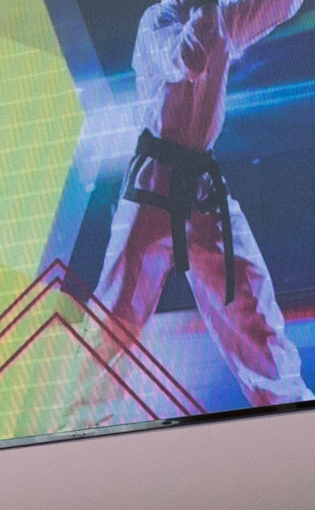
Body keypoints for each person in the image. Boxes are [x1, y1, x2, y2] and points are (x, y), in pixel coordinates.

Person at [73, 0, 310, 429]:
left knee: (252, 308)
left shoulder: (218, 12)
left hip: (201, 182)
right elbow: (190, 56)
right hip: (152, 185)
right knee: (113, 318)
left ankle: (293, 416)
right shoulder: (158, 21)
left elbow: (281, 5)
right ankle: (75, 431)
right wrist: (210, 11)